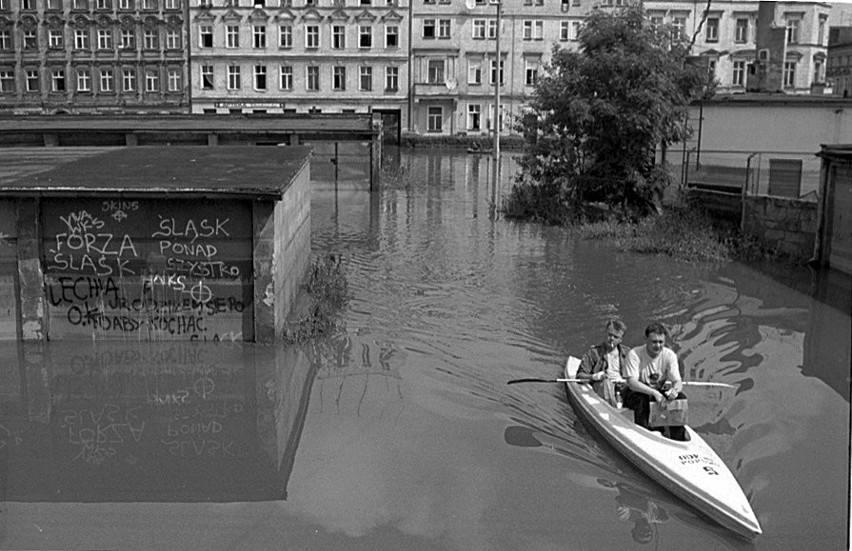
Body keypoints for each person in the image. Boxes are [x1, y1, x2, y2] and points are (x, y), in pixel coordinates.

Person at [622, 322, 687, 441]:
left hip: (657, 391)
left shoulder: (669, 355)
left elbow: (677, 382)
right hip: (636, 392)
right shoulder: (634, 354)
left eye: (661, 342)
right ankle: (645, 436)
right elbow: (632, 383)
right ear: (646, 340)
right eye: (654, 342)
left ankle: (678, 438)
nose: (658, 346)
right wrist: (655, 394)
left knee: (680, 397)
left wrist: (675, 391)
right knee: (643, 401)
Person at [576, 319, 629, 405]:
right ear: (605, 333)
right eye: (609, 335)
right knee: (606, 384)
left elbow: (637, 374)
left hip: (622, 386)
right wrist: (594, 376)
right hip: (603, 385)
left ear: (621, 339)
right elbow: (579, 376)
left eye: (615, 337)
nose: (611, 339)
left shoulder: (628, 353)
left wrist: (626, 381)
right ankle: (613, 411)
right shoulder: (594, 352)